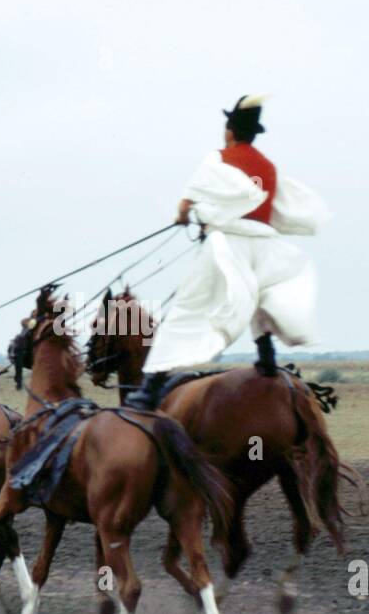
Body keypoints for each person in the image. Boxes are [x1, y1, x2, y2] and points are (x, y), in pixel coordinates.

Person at [125, 94, 323, 410]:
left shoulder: (217, 159)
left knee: (187, 310)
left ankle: (150, 389)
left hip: (228, 243)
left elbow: (187, 201)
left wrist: (182, 218)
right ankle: (267, 357)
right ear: (254, 132)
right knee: (259, 298)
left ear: (230, 130)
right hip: (264, 245)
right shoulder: (268, 168)